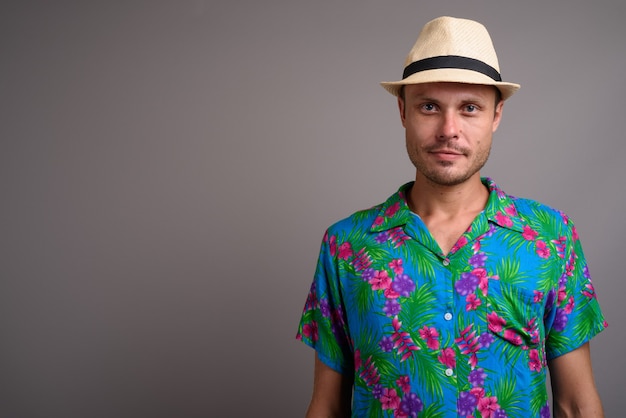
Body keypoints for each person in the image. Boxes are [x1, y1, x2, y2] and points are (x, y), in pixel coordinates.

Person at [296, 16, 607, 418]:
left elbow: (576, 404)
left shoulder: (550, 237)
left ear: (496, 115)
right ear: (403, 111)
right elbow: (326, 406)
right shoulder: (347, 246)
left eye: (470, 108)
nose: (449, 129)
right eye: (429, 106)